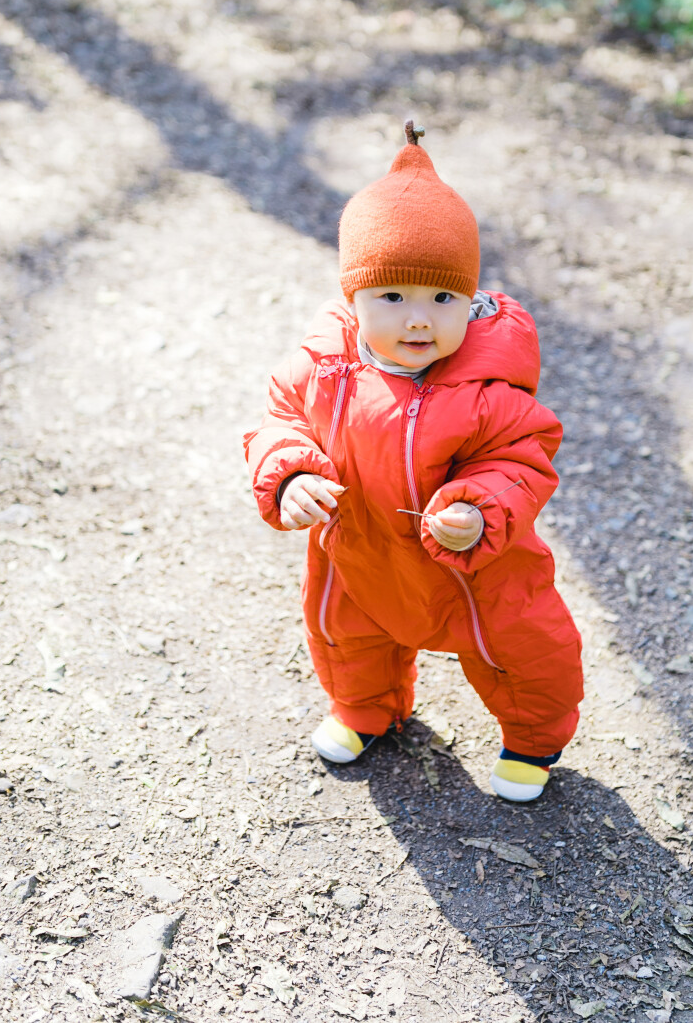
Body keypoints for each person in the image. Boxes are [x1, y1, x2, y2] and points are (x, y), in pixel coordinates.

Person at [244, 121, 583, 801]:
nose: (418, 319)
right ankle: (367, 711)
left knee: (523, 648)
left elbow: (522, 459)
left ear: (470, 298)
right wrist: (293, 476)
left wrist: (478, 507)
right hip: (362, 548)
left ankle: (532, 739)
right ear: (354, 298)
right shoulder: (323, 368)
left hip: (472, 563)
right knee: (346, 635)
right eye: (393, 297)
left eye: (442, 298)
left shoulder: (488, 388)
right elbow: (279, 421)